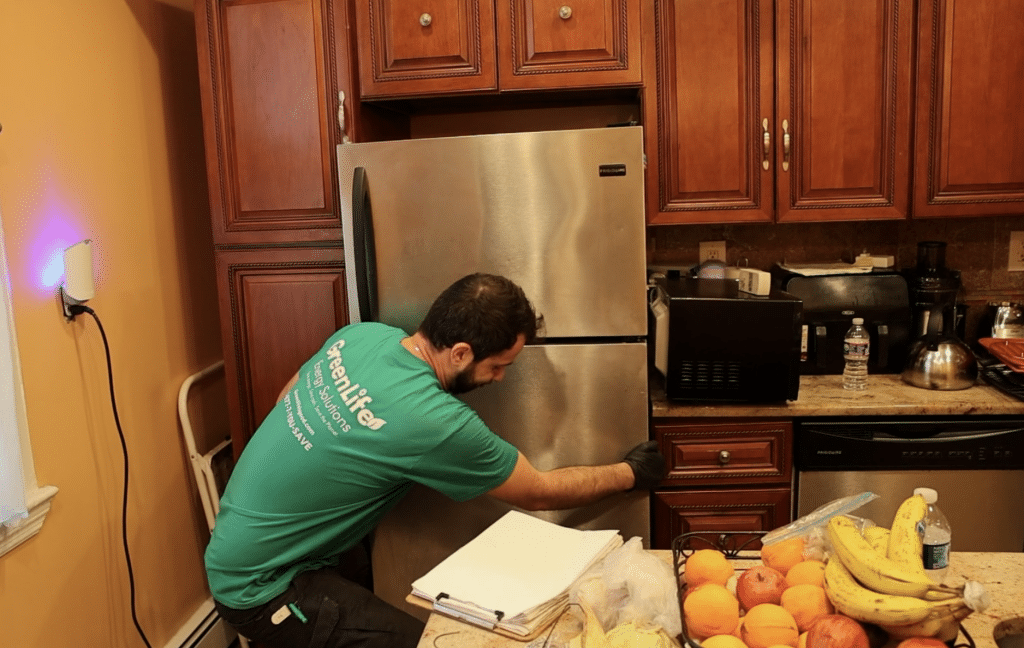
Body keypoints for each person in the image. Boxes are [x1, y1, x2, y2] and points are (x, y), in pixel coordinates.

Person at [205, 272, 667, 648]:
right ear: (461, 352)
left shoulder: (363, 337)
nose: (502, 378)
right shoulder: (434, 421)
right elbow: (537, 491)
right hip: (262, 589)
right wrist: (629, 472)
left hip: (238, 543)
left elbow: (292, 392)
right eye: (498, 366)